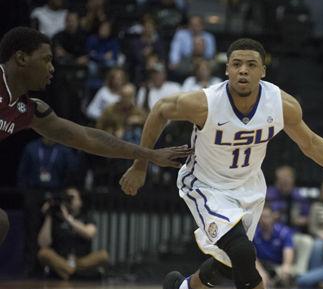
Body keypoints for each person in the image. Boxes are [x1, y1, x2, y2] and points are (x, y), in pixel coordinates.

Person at [119, 38, 323, 289]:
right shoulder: (205, 103)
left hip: (249, 187)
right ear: (226, 69)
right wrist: (140, 165)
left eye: (251, 64)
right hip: (205, 185)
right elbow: (159, 110)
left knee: (227, 266)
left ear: (263, 71)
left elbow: (309, 143)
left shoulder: (281, 104)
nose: (243, 70)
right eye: (236, 64)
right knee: (242, 253)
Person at [0, 26, 191, 249]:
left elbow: (87, 137)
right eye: (46, 60)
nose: (52, 68)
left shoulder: (28, 109)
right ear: (21, 58)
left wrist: (149, 155)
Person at [36, 187, 109, 280]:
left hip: (82, 260)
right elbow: (43, 243)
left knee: (103, 255)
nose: (69, 201)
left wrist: (68, 219)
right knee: (43, 253)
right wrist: (48, 216)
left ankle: (67, 272)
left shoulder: (86, 217)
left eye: (72, 198)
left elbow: (89, 234)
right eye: (67, 198)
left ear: (80, 202)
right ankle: (75, 273)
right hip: (61, 259)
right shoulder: (55, 218)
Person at [253, 206, 295, 287]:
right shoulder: (254, 233)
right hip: (261, 265)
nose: (263, 220)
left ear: (273, 217)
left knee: (286, 276)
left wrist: (286, 266)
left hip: (278, 266)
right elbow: (252, 256)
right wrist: (260, 271)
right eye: (261, 217)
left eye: (266, 217)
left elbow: (288, 250)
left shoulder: (283, 232)